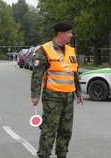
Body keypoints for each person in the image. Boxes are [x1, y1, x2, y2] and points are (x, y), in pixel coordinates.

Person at [31, 22, 83, 158]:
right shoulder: (44, 50)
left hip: (68, 98)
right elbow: (37, 74)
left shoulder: (71, 51)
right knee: (49, 130)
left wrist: (78, 92)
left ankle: (62, 155)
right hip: (52, 98)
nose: (71, 35)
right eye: (69, 33)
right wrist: (35, 95)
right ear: (60, 34)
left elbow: (74, 73)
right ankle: (44, 155)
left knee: (66, 130)